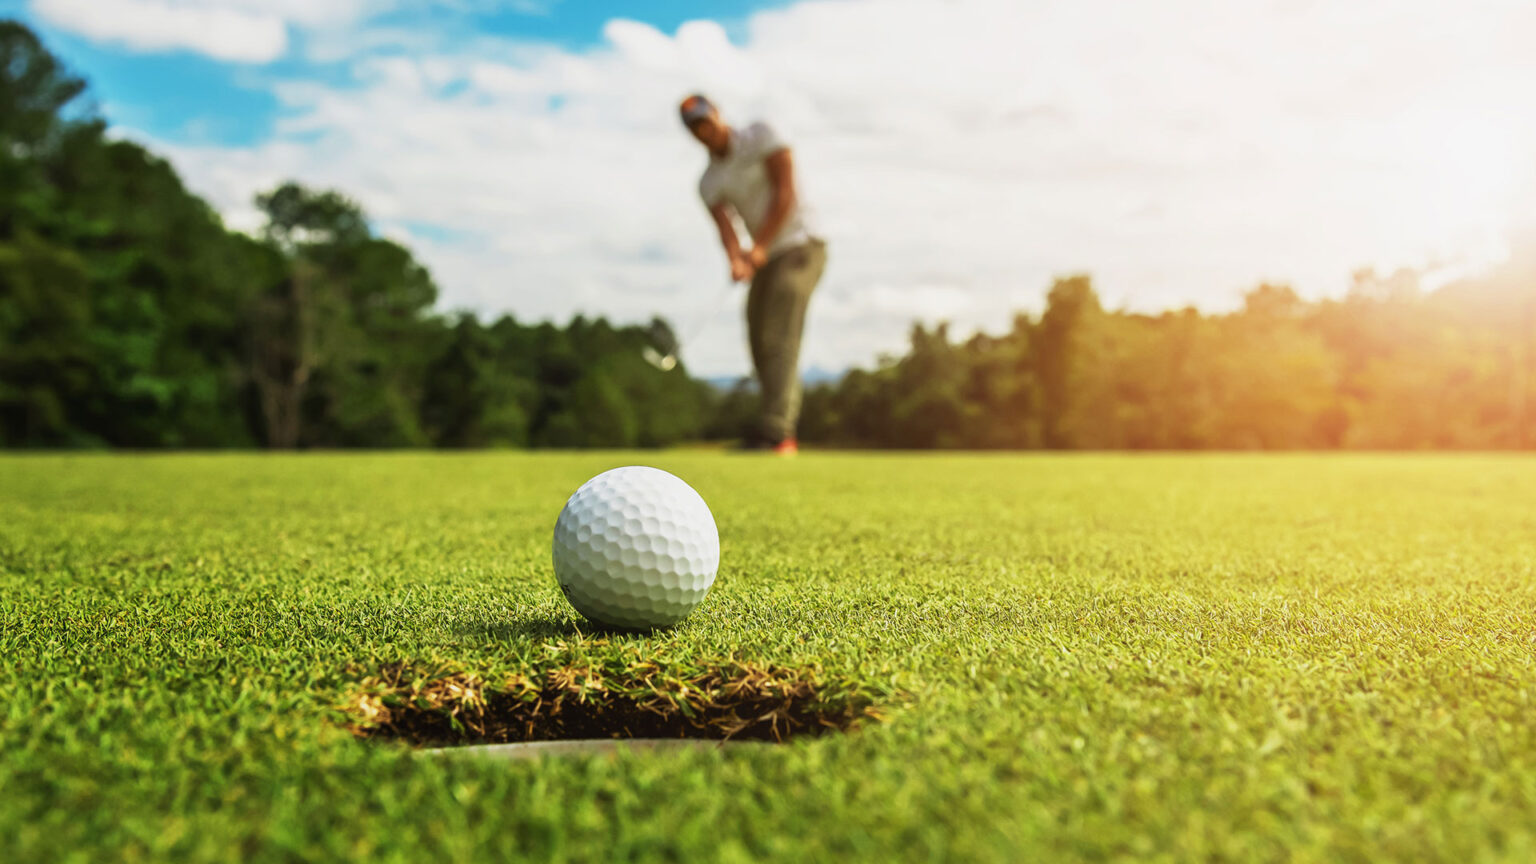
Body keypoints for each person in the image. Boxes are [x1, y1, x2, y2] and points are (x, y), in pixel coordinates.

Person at [680, 94, 827, 455]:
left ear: (717, 113)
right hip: (766, 257)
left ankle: (778, 434)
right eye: (695, 127)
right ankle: (770, 427)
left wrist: (758, 246)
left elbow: (785, 192)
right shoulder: (709, 182)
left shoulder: (763, 134)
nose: (704, 129)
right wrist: (735, 258)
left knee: (779, 334)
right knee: (758, 337)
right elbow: (727, 230)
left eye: (706, 120)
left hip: (801, 245)